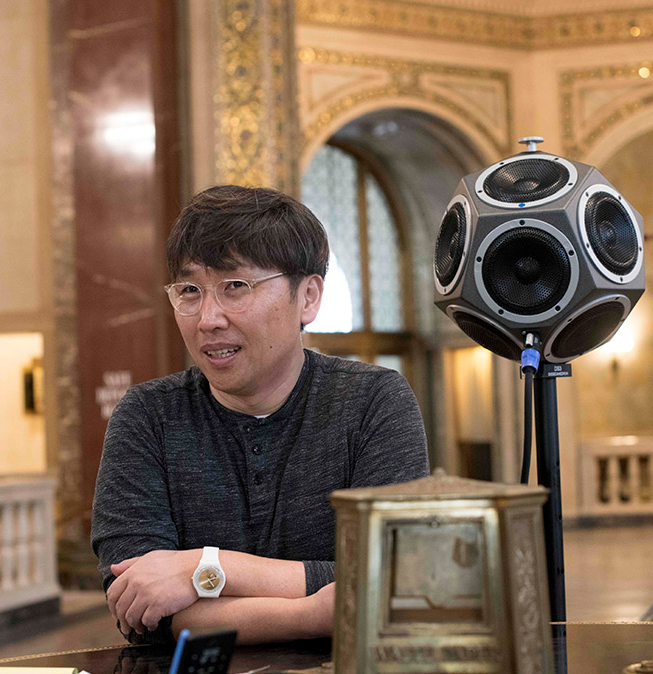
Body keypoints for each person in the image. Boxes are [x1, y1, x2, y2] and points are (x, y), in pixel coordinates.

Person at [91, 185, 430, 644]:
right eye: (190, 290)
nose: (208, 318)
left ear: (308, 297)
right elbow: (141, 605)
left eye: (235, 286)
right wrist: (317, 612)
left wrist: (205, 567)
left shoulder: (372, 401)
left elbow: (397, 579)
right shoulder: (148, 416)